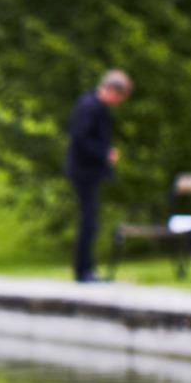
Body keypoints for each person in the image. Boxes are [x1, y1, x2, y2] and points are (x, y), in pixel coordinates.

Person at [65, 69, 133, 282]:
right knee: (88, 221)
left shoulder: (94, 106)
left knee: (90, 220)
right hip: (84, 170)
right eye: (120, 97)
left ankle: (86, 269)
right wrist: (105, 154)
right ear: (112, 90)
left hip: (88, 170)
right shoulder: (90, 107)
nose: (119, 102)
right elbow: (80, 139)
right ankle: (83, 271)